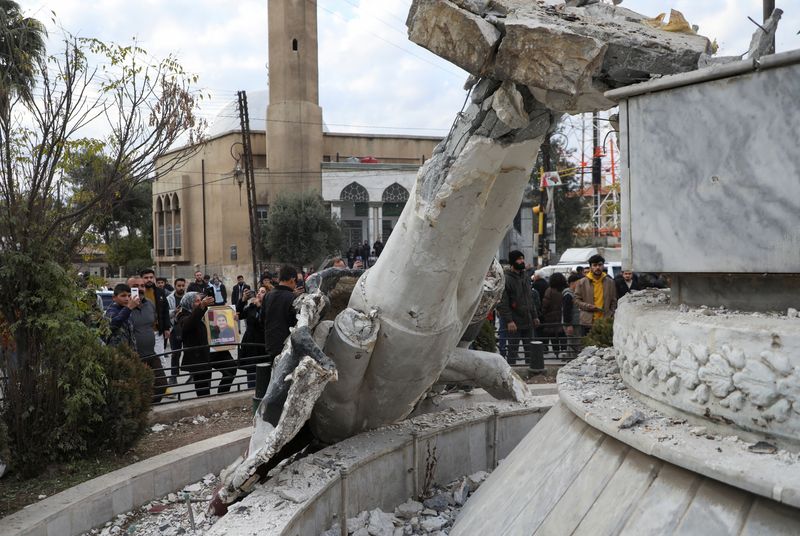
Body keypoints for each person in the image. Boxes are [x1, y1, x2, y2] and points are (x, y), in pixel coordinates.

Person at [126, 276, 167, 402]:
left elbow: (151, 325)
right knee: (138, 388)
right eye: (135, 287)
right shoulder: (124, 307)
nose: (140, 289)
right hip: (134, 356)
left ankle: (151, 407)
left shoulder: (150, 304)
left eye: (142, 286)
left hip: (151, 353)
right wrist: (129, 307)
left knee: (161, 384)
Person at [496, 251, 538, 366]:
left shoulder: (525, 277)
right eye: (519, 259)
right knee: (513, 351)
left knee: (530, 350)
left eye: (522, 258)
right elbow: (502, 302)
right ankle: (512, 373)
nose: (522, 261)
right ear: (512, 261)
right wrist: (509, 321)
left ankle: (532, 372)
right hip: (514, 322)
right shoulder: (506, 279)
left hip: (528, 320)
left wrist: (534, 316)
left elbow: (529, 298)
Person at [262, 265, 299, 363]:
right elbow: (295, 322)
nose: (296, 285)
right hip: (287, 346)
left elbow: (262, 319)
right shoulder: (293, 298)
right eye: (296, 282)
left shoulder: (268, 295)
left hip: (270, 344)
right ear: (292, 279)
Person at [574, 254, 618, 335]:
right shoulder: (582, 282)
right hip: (587, 322)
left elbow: (614, 300)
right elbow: (576, 300)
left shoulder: (610, 282)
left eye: (600, 265)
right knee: (587, 346)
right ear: (590, 267)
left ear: (603, 266)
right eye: (595, 265)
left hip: (605, 322)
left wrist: (611, 313)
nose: (597, 267)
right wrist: (588, 306)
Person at [140, 268, 172, 371]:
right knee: (143, 360)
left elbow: (165, 310)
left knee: (160, 358)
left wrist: (167, 327)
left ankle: (162, 383)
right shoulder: (138, 292)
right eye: (146, 278)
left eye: (151, 277)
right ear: (141, 279)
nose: (149, 279)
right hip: (142, 332)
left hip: (157, 331)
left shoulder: (159, 292)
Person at [238, 286, 268, 388]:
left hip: (261, 345)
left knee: (263, 372)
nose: (259, 293)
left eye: (263, 292)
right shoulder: (252, 307)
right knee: (251, 372)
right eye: (258, 291)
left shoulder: (269, 308)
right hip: (250, 343)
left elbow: (264, 323)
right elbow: (238, 315)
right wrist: (243, 300)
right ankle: (251, 393)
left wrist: (260, 307)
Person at [104, 283, 138, 349]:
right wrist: (128, 308)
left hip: (128, 351)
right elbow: (113, 323)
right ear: (114, 297)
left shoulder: (127, 310)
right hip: (116, 352)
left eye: (129, 296)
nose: (127, 299)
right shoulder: (112, 310)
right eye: (123, 296)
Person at [541, 272, 567, 356]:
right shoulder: (565, 290)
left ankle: (556, 352)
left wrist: (543, 313)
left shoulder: (549, 290)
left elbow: (545, 304)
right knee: (563, 334)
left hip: (550, 318)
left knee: (553, 335)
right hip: (562, 316)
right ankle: (564, 350)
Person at [166, 278, 187, 385]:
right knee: (175, 353)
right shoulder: (169, 298)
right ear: (175, 286)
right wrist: (175, 311)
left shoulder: (189, 297)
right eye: (179, 285)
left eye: (183, 285)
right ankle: (173, 376)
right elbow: (166, 313)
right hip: (174, 328)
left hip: (187, 328)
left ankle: (194, 375)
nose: (181, 288)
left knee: (190, 352)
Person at [561, 273, 582, 355]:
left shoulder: (574, 294)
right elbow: (566, 311)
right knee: (572, 342)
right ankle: (570, 359)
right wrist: (568, 324)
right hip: (571, 323)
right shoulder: (568, 295)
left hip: (575, 322)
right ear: (572, 283)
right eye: (578, 283)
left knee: (575, 342)